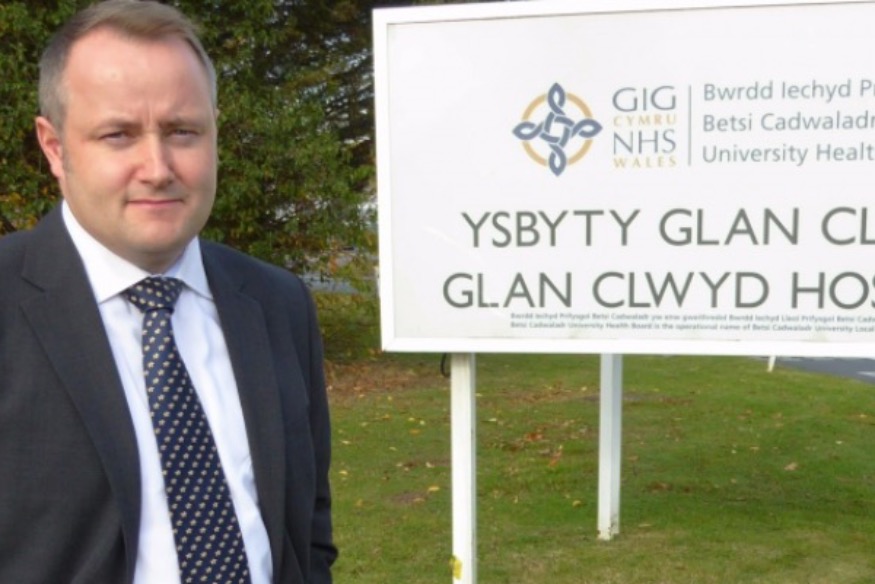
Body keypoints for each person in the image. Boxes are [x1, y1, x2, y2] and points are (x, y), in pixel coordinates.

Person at [0, 1, 336, 582]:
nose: (157, 168)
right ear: (55, 148)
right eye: (118, 135)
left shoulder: (278, 303)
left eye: (182, 131)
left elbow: (306, 529)